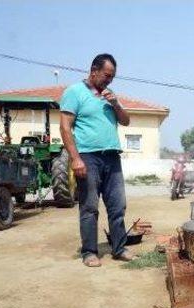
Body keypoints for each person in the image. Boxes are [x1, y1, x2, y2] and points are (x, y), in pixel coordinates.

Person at [59, 53, 136, 267]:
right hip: (88, 157)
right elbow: (65, 127)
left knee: (118, 206)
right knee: (90, 207)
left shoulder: (109, 96)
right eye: (106, 75)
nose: (109, 80)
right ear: (94, 70)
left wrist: (116, 104)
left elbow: (126, 122)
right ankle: (89, 252)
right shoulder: (74, 92)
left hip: (112, 157)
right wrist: (75, 159)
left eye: (112, 77)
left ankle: (119, 248)